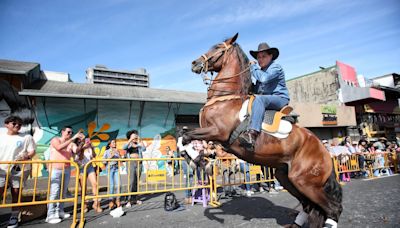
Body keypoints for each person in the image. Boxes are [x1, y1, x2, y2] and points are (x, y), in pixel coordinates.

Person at [239, 42, 290, 150]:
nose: (260, 59)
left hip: (280, 98)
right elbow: (256, 90)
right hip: (267, 99)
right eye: (258, 57)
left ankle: (252, 134)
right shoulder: (260, 71)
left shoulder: (276, 67)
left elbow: (264, 79)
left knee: (259, 100)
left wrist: (253, 67)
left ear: (271, 56)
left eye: (263, 56)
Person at [0, 115, 36, 228]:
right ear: (6, 124)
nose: (17, 126)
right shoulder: (1, 136)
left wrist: (26, 156)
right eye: (14, 123)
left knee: (16, 193)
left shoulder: (26, 137)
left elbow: (32, 152)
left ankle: (14, 216)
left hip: (17, 169)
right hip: (1, 169)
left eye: (19, 124)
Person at [46, 126, 84, 224]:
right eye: (68, 132)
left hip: (66, 169)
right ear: (62, 132)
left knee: (63, 192)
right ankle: (50, 214)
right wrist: (73, 138)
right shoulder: (55, 140)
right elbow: (59, 147)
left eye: (71, 132)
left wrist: (82, 143)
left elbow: (76, 151)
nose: (70, 134)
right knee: (54, 192)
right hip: (55, 169)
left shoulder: (71, 144)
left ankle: (60, 211)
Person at [72, 137, 102, 213]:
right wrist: (82, 149)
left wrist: (92, 148)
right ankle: (84, 204)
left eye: (83, 141)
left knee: (95, 184)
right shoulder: (76, 149)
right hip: (81, 168)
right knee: (83, 187)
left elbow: (94, 156)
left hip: (90, 167)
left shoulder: (88, 147)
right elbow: (81, 158)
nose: (82, 142)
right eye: (80, 141)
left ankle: (96, 204)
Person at [123, 130, 145, 207]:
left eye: (135, 136)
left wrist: (140, 140)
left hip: (139, 163)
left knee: (136, 181)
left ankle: (136, 198)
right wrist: (130, 140)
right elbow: (124, 147)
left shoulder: (138, 144)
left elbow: (144, 149)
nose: (135, 137)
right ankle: (129, 200)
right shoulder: (129, 144)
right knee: (131, 181)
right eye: (133, 136)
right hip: (131, 163)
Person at [103, 139, 123, 209]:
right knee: (111, 186)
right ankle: (111, 201)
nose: (115, 143)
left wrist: (119, 154)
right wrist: (111, 156)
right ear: (109, 144)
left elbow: (121, 160)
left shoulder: (117, 151)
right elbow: (103, 161)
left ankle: (118, 200)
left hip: (116, 168)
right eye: (113, 142)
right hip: (109, 169)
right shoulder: (106, 151)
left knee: (119, 185)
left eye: (115, 142)